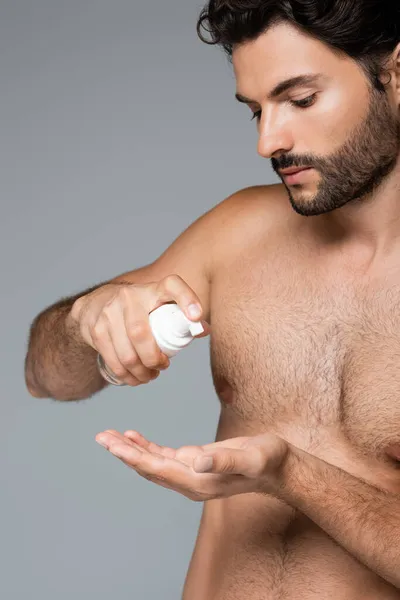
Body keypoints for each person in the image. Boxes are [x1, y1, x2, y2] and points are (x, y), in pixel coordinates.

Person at [24, 1, 400, 598]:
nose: (267, 141)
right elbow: (47, 377)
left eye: (300, 99)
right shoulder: (240, 231)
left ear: (396, 76)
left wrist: (288, 473)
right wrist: (85, 319)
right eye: (255, 110)